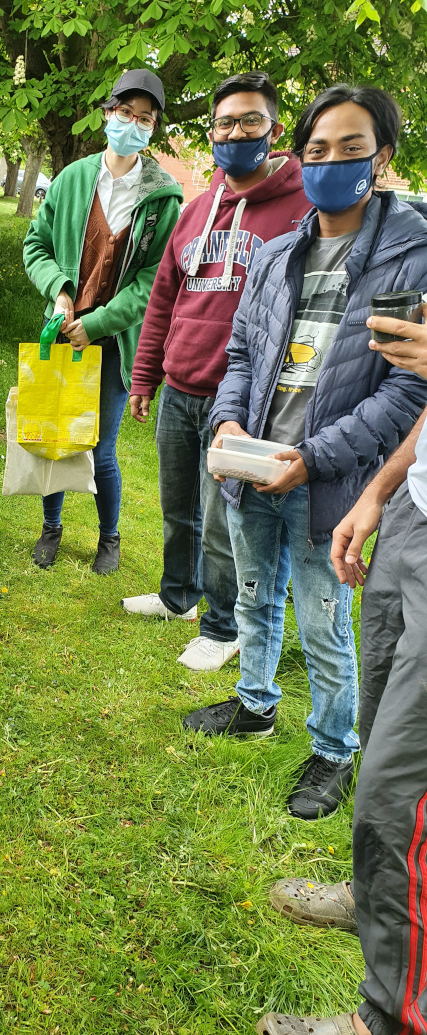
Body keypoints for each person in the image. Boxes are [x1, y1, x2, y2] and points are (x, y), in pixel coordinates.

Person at [184, 84, 427, 819]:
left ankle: (332, 749)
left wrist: (316, 457)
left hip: (332, 478)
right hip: (255, 465)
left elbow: (406, 394)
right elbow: (241, 355)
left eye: (350, 149)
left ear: (381, 159)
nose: (330, 163)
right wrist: (227, 423)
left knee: (323, 622)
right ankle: (255, 703)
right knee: (256, 597)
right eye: (317, 149)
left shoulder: (410, 257)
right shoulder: (277, 252)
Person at [255, 314, 427, 1035]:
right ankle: (376, 897)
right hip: (417, 515)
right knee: (379, 714)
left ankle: (394, 1032)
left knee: (404, 786)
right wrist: (385, 490)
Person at [125, 71, 311, 672]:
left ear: (274, 129)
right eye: (225, 123)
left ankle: (224, 623)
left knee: (221, 515)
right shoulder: (197, 209)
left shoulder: (302, 205)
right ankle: (178, 595)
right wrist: (146, 376)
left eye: (250, 121)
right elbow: (163, 299)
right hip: (180, 386)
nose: (236, 132)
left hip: (245, 400)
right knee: (176, 504)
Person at [22, 69, 183, 574]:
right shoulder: (72, 179)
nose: (132, 124)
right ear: (108, 113)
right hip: (61, 331)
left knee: (100, 446)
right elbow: (36, 246)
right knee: (55, 434)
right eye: (125, 113)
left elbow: (155, 282)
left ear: (152, 128)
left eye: (145, 118)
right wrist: (61, 290)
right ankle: (51, 527)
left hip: (113, 342)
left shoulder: (164, 198)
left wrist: (97, 324)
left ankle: (108, 538)